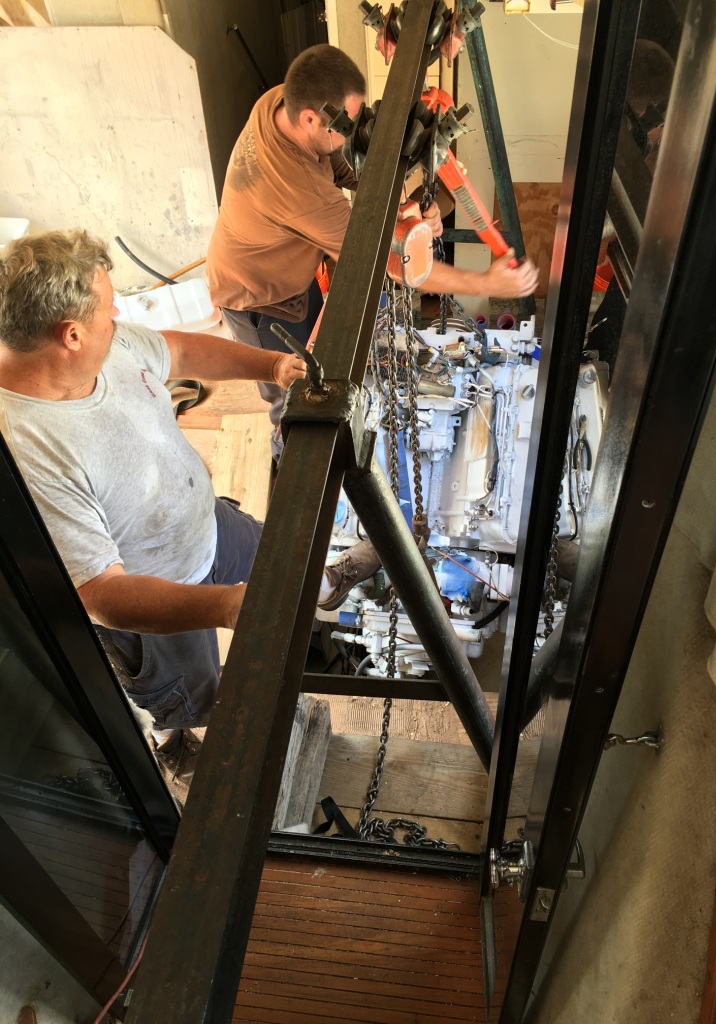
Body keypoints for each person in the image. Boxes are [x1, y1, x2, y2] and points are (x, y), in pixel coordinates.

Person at [0, 230, 377, 752]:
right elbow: (101, 595)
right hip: (158, 589)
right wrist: (224, 607)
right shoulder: (26, 452)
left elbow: (175, 350)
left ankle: (322, 585)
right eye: (108, 309)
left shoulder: (108, 345)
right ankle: (172, 742)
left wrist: (270, 366)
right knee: (187, 696)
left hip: (206, 524)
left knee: (283, 561)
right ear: (71, 335)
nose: (117, 316)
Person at [207, 43, 540, 455]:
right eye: (343, 124)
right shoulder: (297, 189)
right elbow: (394, 263)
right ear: (310, 118)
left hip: (287, 273)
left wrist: (410, 208)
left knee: (317, 360)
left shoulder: (283, 101)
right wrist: (487, 283)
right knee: (296, 396)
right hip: (258, 299)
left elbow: (347, 164)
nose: (350, 131)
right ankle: (286, 458)